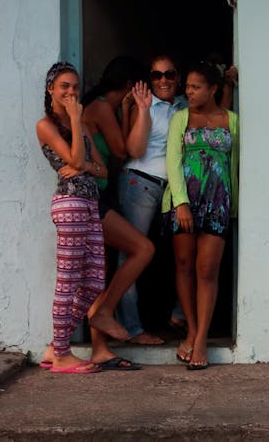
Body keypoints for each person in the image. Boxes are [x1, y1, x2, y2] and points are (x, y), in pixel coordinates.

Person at [119, 55, 237, 337]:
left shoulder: (186, 105)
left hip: (176, 190)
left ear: (178, 77)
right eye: (156, 75)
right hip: (143, 183)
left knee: (178, 260)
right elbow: (134, 150)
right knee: (135, 253)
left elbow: (218, 125)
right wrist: (143, 110)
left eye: (169, 75)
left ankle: (180, 316)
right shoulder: (146, 105)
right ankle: (132, 328)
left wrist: (228, 85)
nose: (163, 81)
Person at [36, 62, 122, 373]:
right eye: (64, 87)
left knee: (95, 280)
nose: (71, 92)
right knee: (69, 281)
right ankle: (61, 354)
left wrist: (84, 164)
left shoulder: (82, 126)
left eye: (75, 86)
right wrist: (74, 119)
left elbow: (103, 170)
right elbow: (73, 158)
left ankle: (54, 346)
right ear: (51, 91)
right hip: (69, 203)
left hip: (89, 203)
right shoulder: (46, 126)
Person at [80, 56, 163, 363]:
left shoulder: (109, 108)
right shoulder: (102, 107)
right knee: (142, 249)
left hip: (97, 197)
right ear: (131, 85)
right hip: (90, 199)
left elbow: (123, 147)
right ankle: (103, 311)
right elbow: (122, 150)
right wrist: (135, 109)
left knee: (100, 272)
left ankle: (99, 348)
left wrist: (127, 110)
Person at [162, 61, 239, 370]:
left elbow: (234, 163)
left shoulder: (230, 120)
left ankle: (202, 338)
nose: (189, 92)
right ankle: (192, 330)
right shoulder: (181, 118)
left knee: (207, 270)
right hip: (186, 201)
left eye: (195, 87)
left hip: (218, 201)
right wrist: (180, 202)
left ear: (212, 89)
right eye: (188, 87)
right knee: (184, 266)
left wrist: (232, 205)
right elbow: (173, 159)